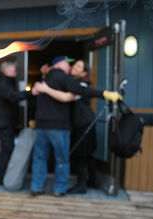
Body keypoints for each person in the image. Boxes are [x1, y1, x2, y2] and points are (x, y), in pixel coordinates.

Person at [30, 56, 122, 197]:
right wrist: (104, 94)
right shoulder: (64, 78)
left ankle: (36, 187)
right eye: (68, 64)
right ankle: (60, 190)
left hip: (42, 125)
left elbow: (68, 95)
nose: (70, 67)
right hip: (59, 126)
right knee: (62, 159)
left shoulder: (45, 79)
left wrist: (45, 86)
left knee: (40, 158)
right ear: (60, 64)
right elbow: (77, 92)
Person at [0, 61, 31, 185]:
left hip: (8, 123)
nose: (15, 72)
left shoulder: (7, 82)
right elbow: (13, 96)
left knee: (8, 149)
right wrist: (31, 93)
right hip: (4, 124)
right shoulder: (2, 83)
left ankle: (7, 177)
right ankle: (2, 179)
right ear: (6, 71)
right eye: (14, 70)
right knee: (7, 150)